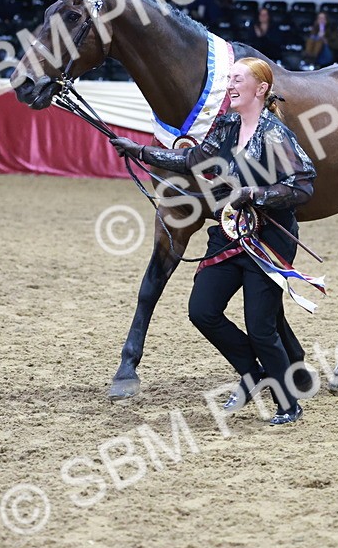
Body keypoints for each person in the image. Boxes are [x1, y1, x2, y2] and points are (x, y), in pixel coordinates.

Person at [108, 57, 317, 426]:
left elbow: (303, 185)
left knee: (261, 327)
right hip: (229, 234)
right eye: (229, 79)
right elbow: (192, 158)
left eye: (237, 80)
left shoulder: (275, 134)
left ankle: (288, 404)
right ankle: (251, 372)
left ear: (261, 89)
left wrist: (254, 194)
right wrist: (139, 150)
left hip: (267, 241)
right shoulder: (226, 126)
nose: (229, 86)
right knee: (202, 310)